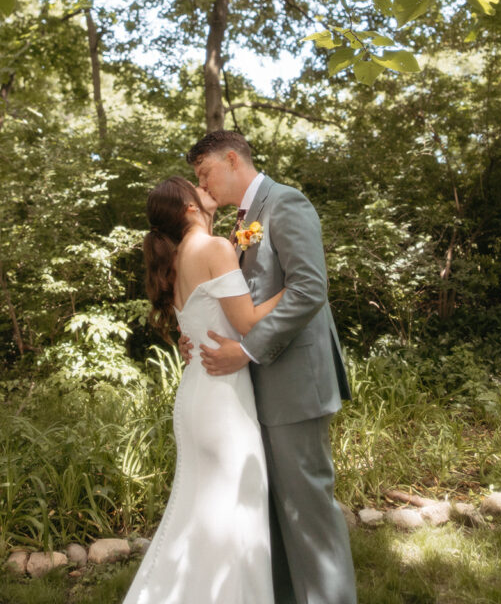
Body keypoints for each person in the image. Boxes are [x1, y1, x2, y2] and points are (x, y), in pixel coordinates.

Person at [182, 131, 357, 604]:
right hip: (258, 388)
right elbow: (243, 300)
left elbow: (307, 288)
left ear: (233, 159)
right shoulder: (244, 220)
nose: (204, 187)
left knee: (307, 510)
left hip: (295, 384)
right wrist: (198, 333)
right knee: (275, 512)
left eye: (206, 174)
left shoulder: (286, 203)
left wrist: (247, 350)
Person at [123, 175, 285, 604]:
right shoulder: (214, 249)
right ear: (189, 208)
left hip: (198, 396)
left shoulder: (177, 257)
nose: (203, 185)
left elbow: (202, 323)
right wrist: (295, 290)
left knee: (200, 514)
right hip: (222, 401)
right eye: (194, 186)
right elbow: (248, 323)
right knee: (233, 517)